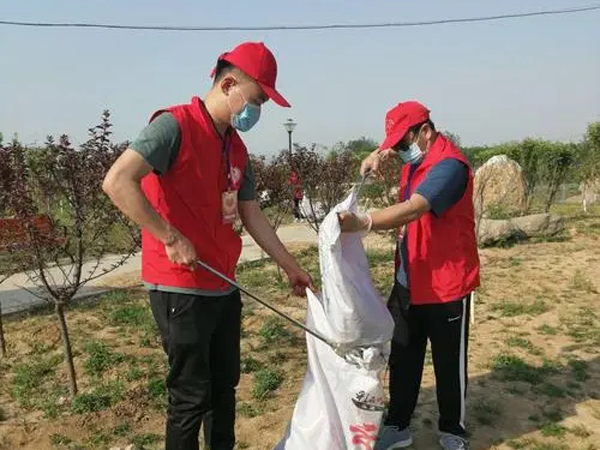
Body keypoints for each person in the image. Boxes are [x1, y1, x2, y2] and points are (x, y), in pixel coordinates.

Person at [102, 41, 313, 450]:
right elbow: (117, 182)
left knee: (223, 391)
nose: (258, 112)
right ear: (229, 84)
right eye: (256, 100)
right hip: (180, 285)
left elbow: (252, 215)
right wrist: (170, 236)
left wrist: (290, 266)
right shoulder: (173, 126)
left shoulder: (235, 146)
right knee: (190, 397)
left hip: (222, 284)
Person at [338, 101, 480, 450]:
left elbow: (415, 207)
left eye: (404, 143)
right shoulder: (415, 160)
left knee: (448, 364)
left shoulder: (450, 167)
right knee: (402, 356)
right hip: (408, 281)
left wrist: (365, 223)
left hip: (446, 284)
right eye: (396, 145)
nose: (400, 151)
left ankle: (452, 430)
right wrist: (378, 153)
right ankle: (398, 425)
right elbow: (395, 151)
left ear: (426, 132)